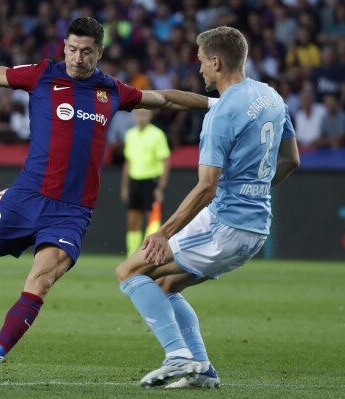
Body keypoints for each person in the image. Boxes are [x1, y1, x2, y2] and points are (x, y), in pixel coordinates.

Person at [0, 16, 217, 381]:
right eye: (72, 49)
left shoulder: (113, 91)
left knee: (40, 280)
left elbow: (166, 99)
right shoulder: (42, 75)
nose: (77, 58)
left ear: (100, 52)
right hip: (24, 197)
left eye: (87, 52)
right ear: (64, 47)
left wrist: (215, 104)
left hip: (71, 213)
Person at [115, 26, 300, 389]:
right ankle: (201, 370)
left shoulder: (221, 116)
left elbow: (206, 187)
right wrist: (257, 189)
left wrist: (163, 233)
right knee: (165, 284)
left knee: (128, 271)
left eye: (200, 60)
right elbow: (291, 159)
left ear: (216, 62)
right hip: (256, 228)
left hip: (226, 224)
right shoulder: (272, 97)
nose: (198, 68)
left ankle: (177, 355)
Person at [121, 108, 170, 257]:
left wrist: (161, 187)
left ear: (150, 115)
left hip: (151, 181)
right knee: (133, 221)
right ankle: (132, 255)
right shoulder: (130, 134)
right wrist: (125, 186)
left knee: (152, 221)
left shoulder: (157, 134)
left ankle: (147, 255)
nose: (141, 117)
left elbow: (165, 161)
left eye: (144, 114)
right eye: (139, 114)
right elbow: (128, 162)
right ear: (134, 115)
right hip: (135, 181)